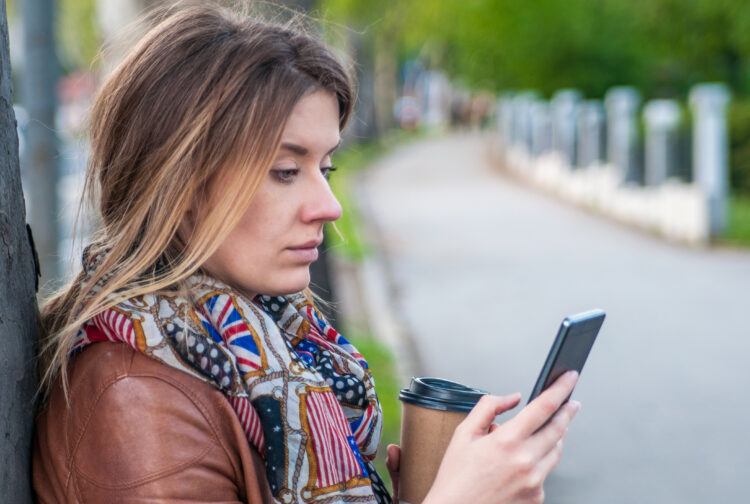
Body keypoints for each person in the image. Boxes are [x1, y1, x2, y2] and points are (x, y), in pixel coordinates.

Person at [32, 3, 580, 503]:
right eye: (286, 172)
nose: (328, 205)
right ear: (181, 187)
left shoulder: (278, 344)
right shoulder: (136, 396)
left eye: (327, 168)